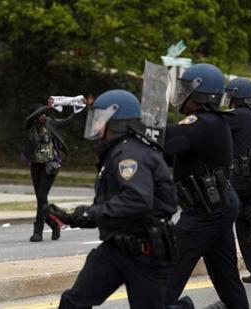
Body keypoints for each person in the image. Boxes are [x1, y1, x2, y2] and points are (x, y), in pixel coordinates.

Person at [50, 89, 195, 309]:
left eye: (101, 119)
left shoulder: (130, 155)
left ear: (118, 122)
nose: (97, 126)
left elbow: (136, 201)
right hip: (115, 248)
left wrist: (90, 213)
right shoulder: (118, 151)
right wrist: (74, 218)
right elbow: (112, 205)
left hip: (145, 252)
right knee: (73, 302)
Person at [163, 64, 248, 308]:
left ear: (200, 95)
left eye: (186, 90)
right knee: (226, 277)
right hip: (216, 206)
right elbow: (170, 156)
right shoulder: (208, 124)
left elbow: (166, 142)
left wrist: (137, 130)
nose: (181, 95)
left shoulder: (202, 123)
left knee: (166, 271)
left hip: (205, 211)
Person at [23, 97, 83, 242]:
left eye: (45, 114)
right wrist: (47, 107)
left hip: (51, 165)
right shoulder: (30, 125)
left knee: (42, 198)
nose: (44, 117)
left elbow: (67, 121)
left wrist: (77, 111)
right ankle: (54, 224)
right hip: (36, 165)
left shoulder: (51, 122)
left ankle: (38, 232)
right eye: (41, 115)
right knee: (40, 199)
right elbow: (31, 118)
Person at [222, 77, 251, 284]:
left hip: (242, 178)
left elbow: (214, 124)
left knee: (238, 215)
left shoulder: (236, 116)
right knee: (245, 225)